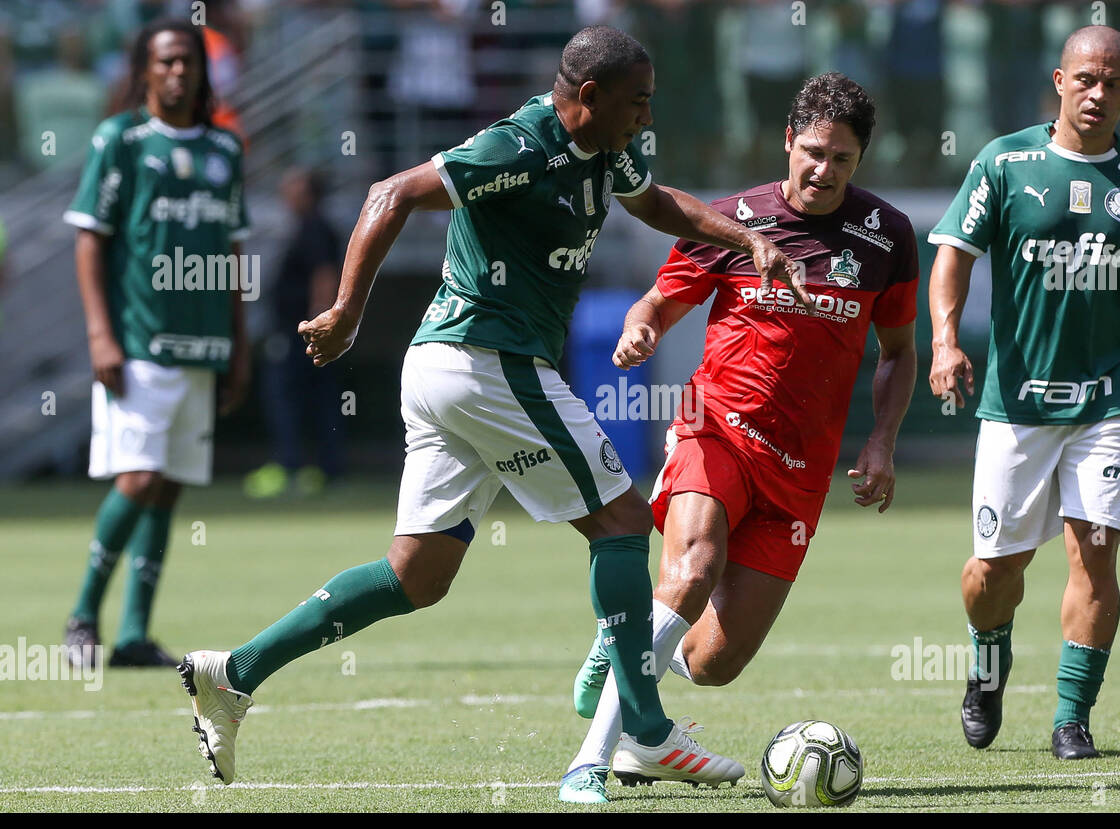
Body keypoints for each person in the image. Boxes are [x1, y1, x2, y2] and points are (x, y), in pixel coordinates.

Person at [177, 25, 809, 789]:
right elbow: (393, 192)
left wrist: (743, 237)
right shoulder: (519, 146)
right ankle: (642, 727)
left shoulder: (613, 144)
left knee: (417, 574)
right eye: (637, 102)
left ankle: (235, 672)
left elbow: (655, 203)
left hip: (452, 371)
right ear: (588, 97)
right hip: (486, 359)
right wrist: (347, 309)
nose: (647, 115)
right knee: (620, 520)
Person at [564, 72, 919, 803]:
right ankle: (589, 762)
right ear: (788, 141)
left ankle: (625, 665)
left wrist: (882, 440)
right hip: (715, 430)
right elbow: (660, 303)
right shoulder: (733, 220)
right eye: (813, 151)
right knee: (691, 569)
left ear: (861, 162)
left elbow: (899, 350)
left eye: (841, 159)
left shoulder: (886, 238)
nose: (822, 170)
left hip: (800, 471)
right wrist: (639, 330)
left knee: (715, 659)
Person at [927, 25, 1120, 759]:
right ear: (1060, 80)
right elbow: (953, 255)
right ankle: (988, 657)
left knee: (1095, 555)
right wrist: (945, 342)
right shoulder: (1004, 162)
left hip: (1113, 401)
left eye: (1113, 82)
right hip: (1019, 404)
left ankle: (1072, 717)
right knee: (992, 575)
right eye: (1086, 79)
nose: (1098, 93)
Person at [62, 19, 250, 669]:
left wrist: (240, 346)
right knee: (137, 477)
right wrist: (99, 334)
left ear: (200, 71)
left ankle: (136, 633)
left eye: (187, 62)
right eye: (165, 61)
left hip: (202, 346)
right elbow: (90, 238)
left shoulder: (225, 150)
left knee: (168, 486)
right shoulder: (119, 140)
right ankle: (83, 615)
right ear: (143, 69)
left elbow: (231, 251)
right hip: (139, 343)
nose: (177, 72)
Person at [244, 168, 346, 498]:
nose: (285, 192)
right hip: (296, 330)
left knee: (288, 396)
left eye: (293, 187)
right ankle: (318, 466)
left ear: (309, 193)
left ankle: (293, 466)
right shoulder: (308, 226)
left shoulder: (315, 227)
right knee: (312, 396)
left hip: (300, 333)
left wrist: (318, 325)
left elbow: (324, 276)